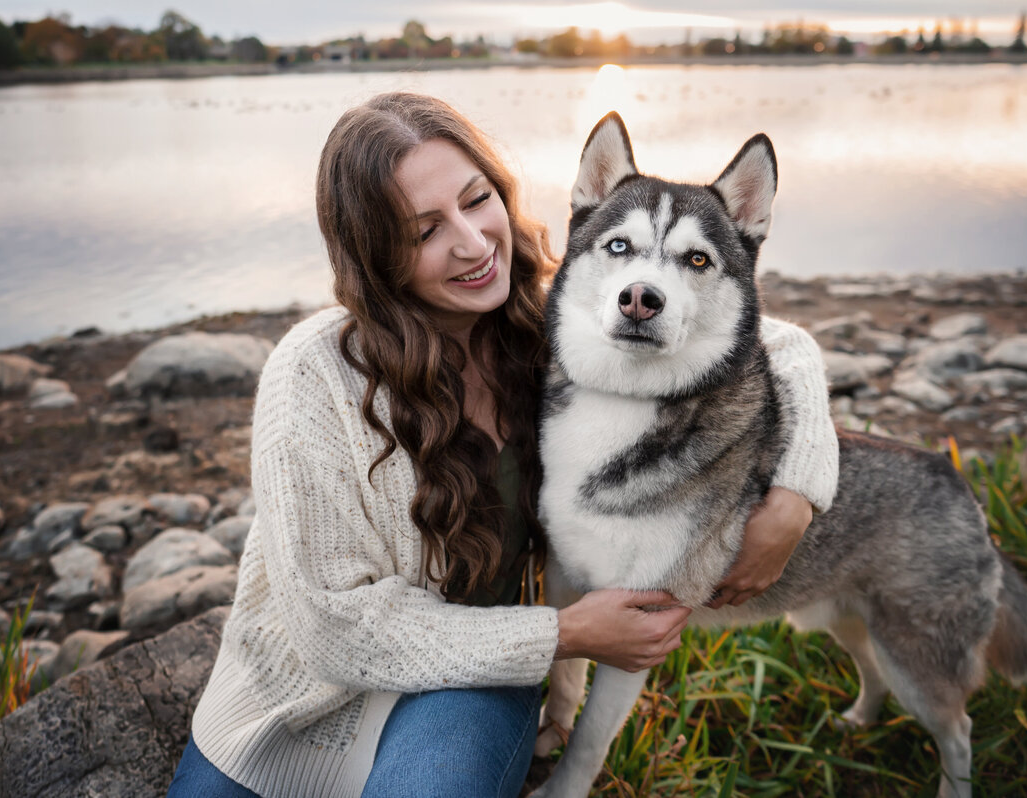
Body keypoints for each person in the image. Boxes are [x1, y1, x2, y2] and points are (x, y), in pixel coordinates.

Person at [167, 92, 838, 798]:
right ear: (375, 254)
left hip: (468, 686)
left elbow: (780, 346)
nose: (473, 242)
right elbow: (336, 632)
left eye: (476, 199)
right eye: (425, 230)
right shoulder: (315, 373)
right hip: (297, 705)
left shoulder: (557, 321)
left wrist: (796, 495)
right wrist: (564, 636)